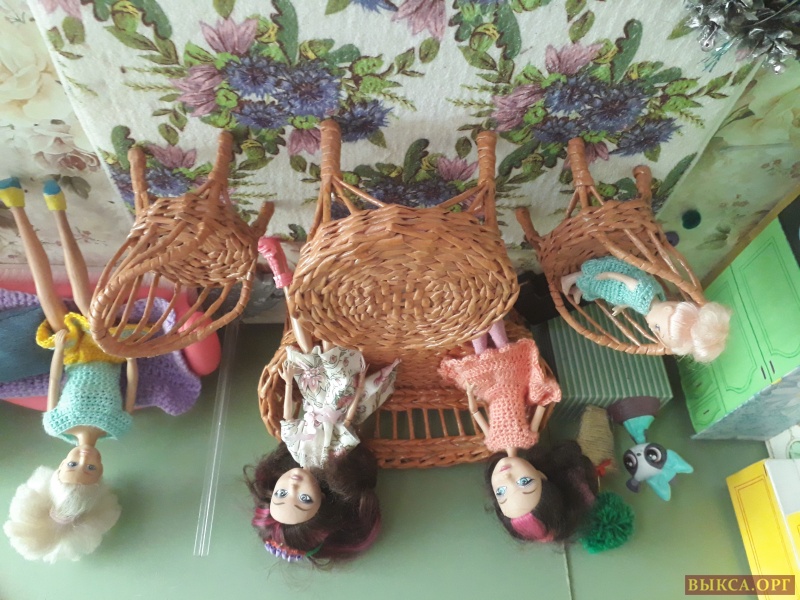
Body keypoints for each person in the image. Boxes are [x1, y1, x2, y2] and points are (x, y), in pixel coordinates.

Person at [1, 178, 135, 562]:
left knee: (46, 292)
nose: (83, 459)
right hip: (108, 352)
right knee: (86, 299)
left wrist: (59, 349)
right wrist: (130, 356)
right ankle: (59, 211)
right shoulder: (117, 427)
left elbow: (54, 381)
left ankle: (16, 208)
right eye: (90, 469)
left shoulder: (56, 423)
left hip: (73, 353)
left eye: (73, 466)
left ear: (60, 465)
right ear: (101, 471)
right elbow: (130, 387)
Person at [561, 256, 731, 362]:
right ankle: (572, 279)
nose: (652, 328)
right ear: (667, 310)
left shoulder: (651, 304)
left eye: (656, 331)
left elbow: (633, 301)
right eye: (658, 328)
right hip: (612, 280)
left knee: (597, 291)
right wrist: (607, 275)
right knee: (595, 283)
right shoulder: (643, 291)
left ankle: (578, 290)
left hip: (618, 294)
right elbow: (626, 280)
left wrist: (622, 306)